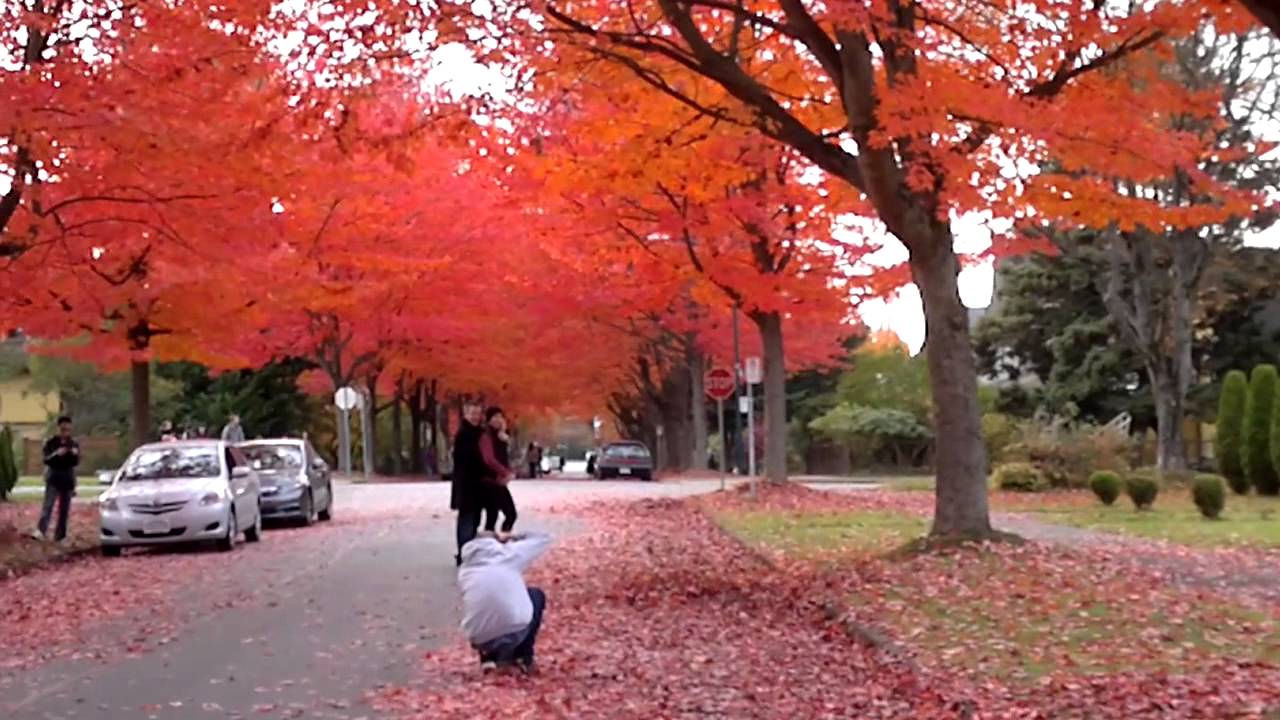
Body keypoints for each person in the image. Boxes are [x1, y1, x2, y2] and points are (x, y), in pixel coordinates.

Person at [458, 530, 552, 674]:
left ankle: (488, 657)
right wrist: (512, 537)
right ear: (496, 542)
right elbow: (543, 536)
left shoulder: (465, 570)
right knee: (535, 595)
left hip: (478, 637)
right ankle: (523, 656)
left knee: (486, 605)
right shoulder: (509, 555)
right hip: (512, 631)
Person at [32, 416, 79, 544]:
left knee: (64, 510)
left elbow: (75, 462)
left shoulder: (73, 443)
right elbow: (46, 460)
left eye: (68, 430)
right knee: (48, 506)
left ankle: (60, 536)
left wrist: (74, 454)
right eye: (63, 429)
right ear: (58, 429)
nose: (65, 432)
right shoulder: (51, 442)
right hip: (54, 478)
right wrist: (57, 454)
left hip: (67, 480)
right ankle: (41, 530)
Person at [451, 403, 487, 565]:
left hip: (478, 485)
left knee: (475, 520)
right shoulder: (464, 434)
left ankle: (468, 552)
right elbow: (466, 459)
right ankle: (464, 554)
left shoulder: (480, 433)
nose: (475, 417)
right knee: (467, 519)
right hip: (466, 484)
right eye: (472, 413)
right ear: (466, 414)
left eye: (478, 414)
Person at [479, 407, 517, 535]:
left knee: (493, 515)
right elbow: (488, 459)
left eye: (500, 417)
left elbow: (506, 457)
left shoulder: (500, 436)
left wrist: (504, 435)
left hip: (497, 481)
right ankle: (497, 545)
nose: (498, 420)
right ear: (488, 419)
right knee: (510, 514)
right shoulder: (486, 436)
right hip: (489, 481)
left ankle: (490, 546)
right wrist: (505, 473)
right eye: (494, 417)